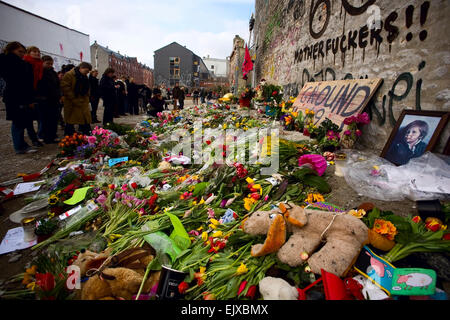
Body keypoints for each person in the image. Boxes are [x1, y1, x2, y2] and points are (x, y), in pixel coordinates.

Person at [0, 41, 37, 154]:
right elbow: (17, 81)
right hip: (15, 96)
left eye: (23, 52)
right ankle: (19, 146)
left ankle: (21, 144)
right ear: (11, 50)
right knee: (18, 122)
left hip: (22, 96)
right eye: (19, 51)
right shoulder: (8, 61)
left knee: (22, 121)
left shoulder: (21, 63)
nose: (21, 54)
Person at [60, 62, 92, 135]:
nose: (87, 73)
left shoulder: (84, 75)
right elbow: (65, 88)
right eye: (86, 71)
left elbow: (87, 87)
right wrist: (74, 98)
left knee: (85, 119)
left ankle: (87, 133)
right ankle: (69, 135)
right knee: (70, 119)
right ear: (81, 68)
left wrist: (87, 96)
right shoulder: (69, 75)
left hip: (83, 100)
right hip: (71, 101)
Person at [35, 55, 61, 144]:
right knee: (45, 120)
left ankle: (52, 135)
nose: (49, 65)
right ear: (42, 63)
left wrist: (59, 95)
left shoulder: (53, 73)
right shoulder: (39, 72)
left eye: (51, 63)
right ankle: (46, 137)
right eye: (47, 63)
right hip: (44, 100)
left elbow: (57, 85)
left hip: (54, 99)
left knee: (54, 119)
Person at [23, 46, 44, 146]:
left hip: (37, 95)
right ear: (29, 52)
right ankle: (33, 138)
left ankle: (38, 136)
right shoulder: (26, 64)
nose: (37, 53)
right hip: (27, 95)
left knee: (40, 117)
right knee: (28, 120)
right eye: (34, 51)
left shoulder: (39, 65)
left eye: (38, 52)